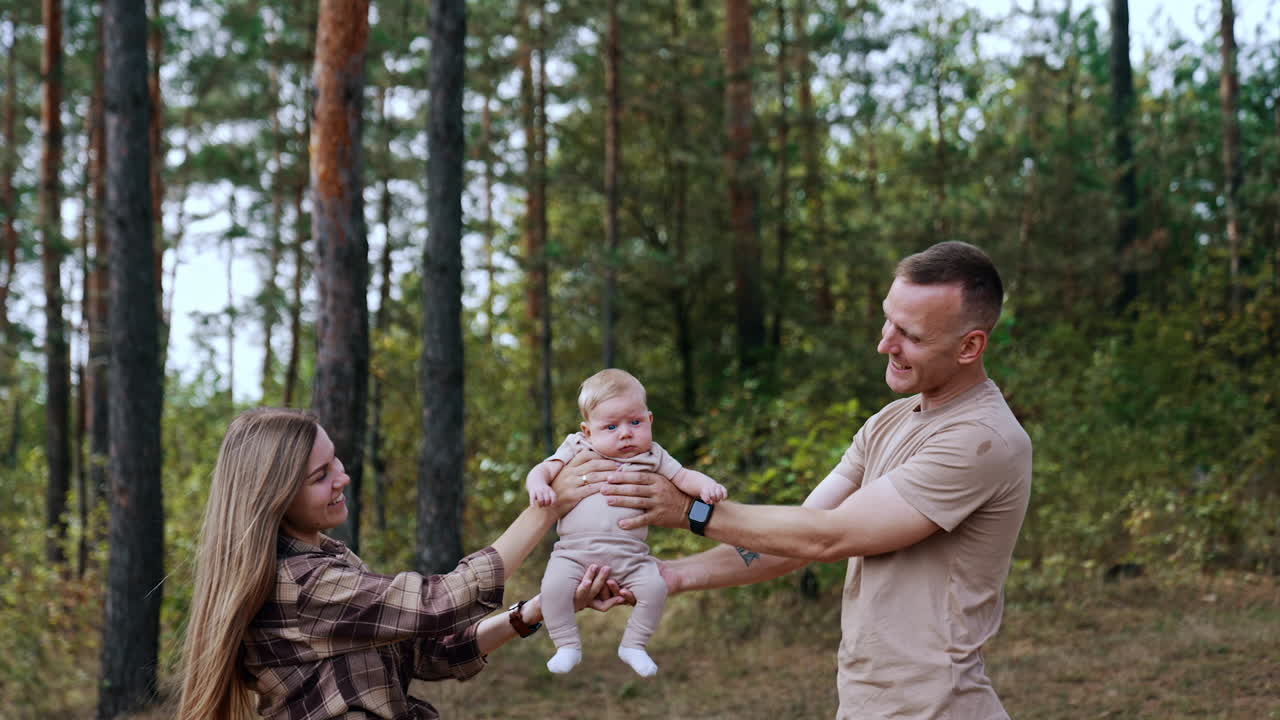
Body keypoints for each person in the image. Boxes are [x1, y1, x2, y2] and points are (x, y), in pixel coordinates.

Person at [598, 241, 1033, 719]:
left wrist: (690, 511)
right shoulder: (888, 422)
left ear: (970, 345)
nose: (885, 343)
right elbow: (799, 534)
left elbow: (831, 537)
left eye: (910, 334)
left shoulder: (980, 439)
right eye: (888, 320)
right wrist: (673, 575)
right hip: (868, 703)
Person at [177, 407, 634, 720]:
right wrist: (545, 510)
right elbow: (437, 603)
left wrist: (536, 610)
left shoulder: (328, 559)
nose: (343, 477)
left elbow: (426, 651)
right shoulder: (300, 583)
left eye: (334, 459)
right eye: (321, 476)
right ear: (273, 495)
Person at [525, 368, 726, 677]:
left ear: (649, 420)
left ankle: (634, 644)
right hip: (573, 554)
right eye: (610, 426)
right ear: (588, 430)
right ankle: (567, 645)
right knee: (552, 589)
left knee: (655, 588)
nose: (625, 433)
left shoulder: (653, 456)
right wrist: (538, 486)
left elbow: (684, 477)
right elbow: (542, 470)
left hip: (632, 557)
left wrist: (706, 486)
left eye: (635, 422)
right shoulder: (577, 447)